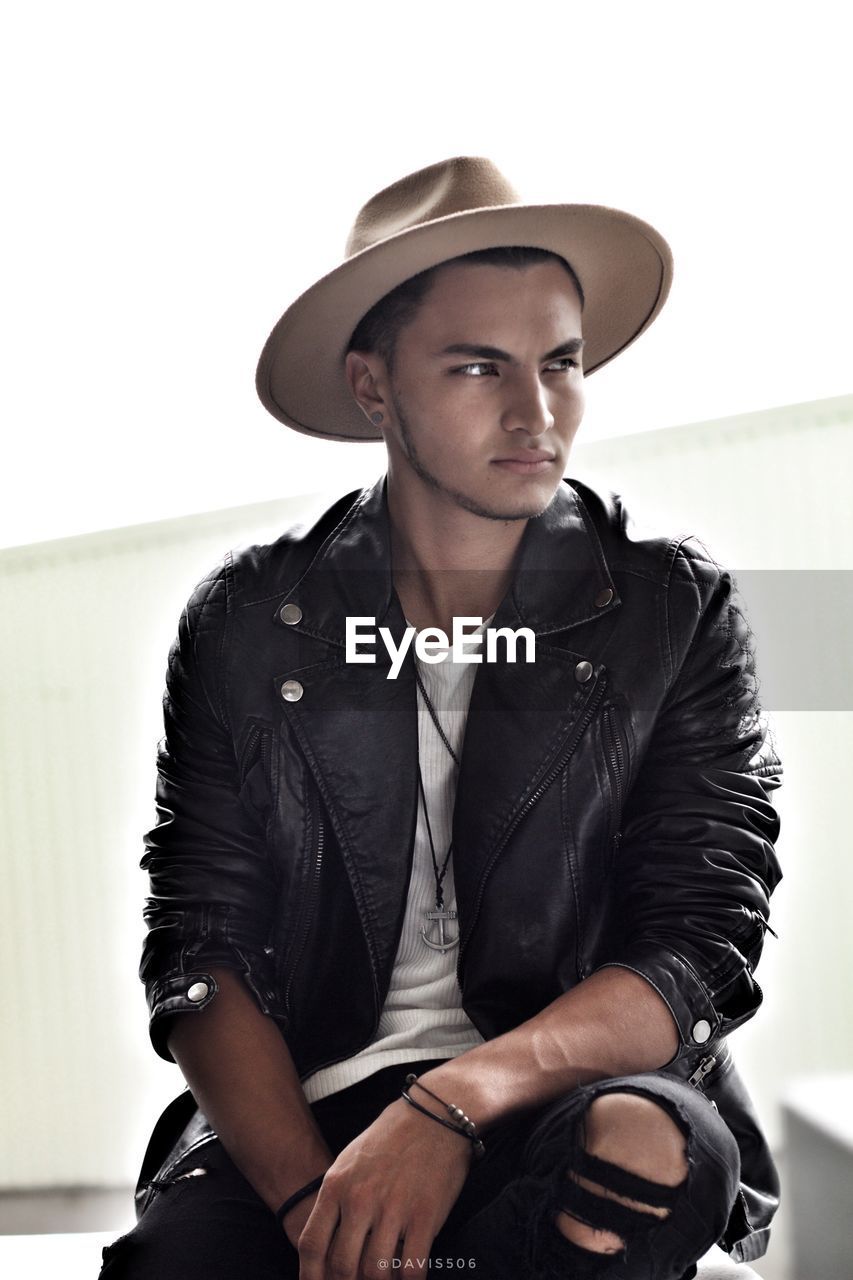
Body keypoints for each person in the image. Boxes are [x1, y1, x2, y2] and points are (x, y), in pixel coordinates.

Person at [99, 157, 783, 1280]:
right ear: (374, 387)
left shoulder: (668, 607)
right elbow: (198, 946)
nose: (537, 411)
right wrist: (318, 1201)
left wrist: (450, 1100)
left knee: (646, 1151)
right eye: (478, 367)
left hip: (573, 1087)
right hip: (311, 1108)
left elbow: (698, 940)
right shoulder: (246, 621)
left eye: (559, 362)